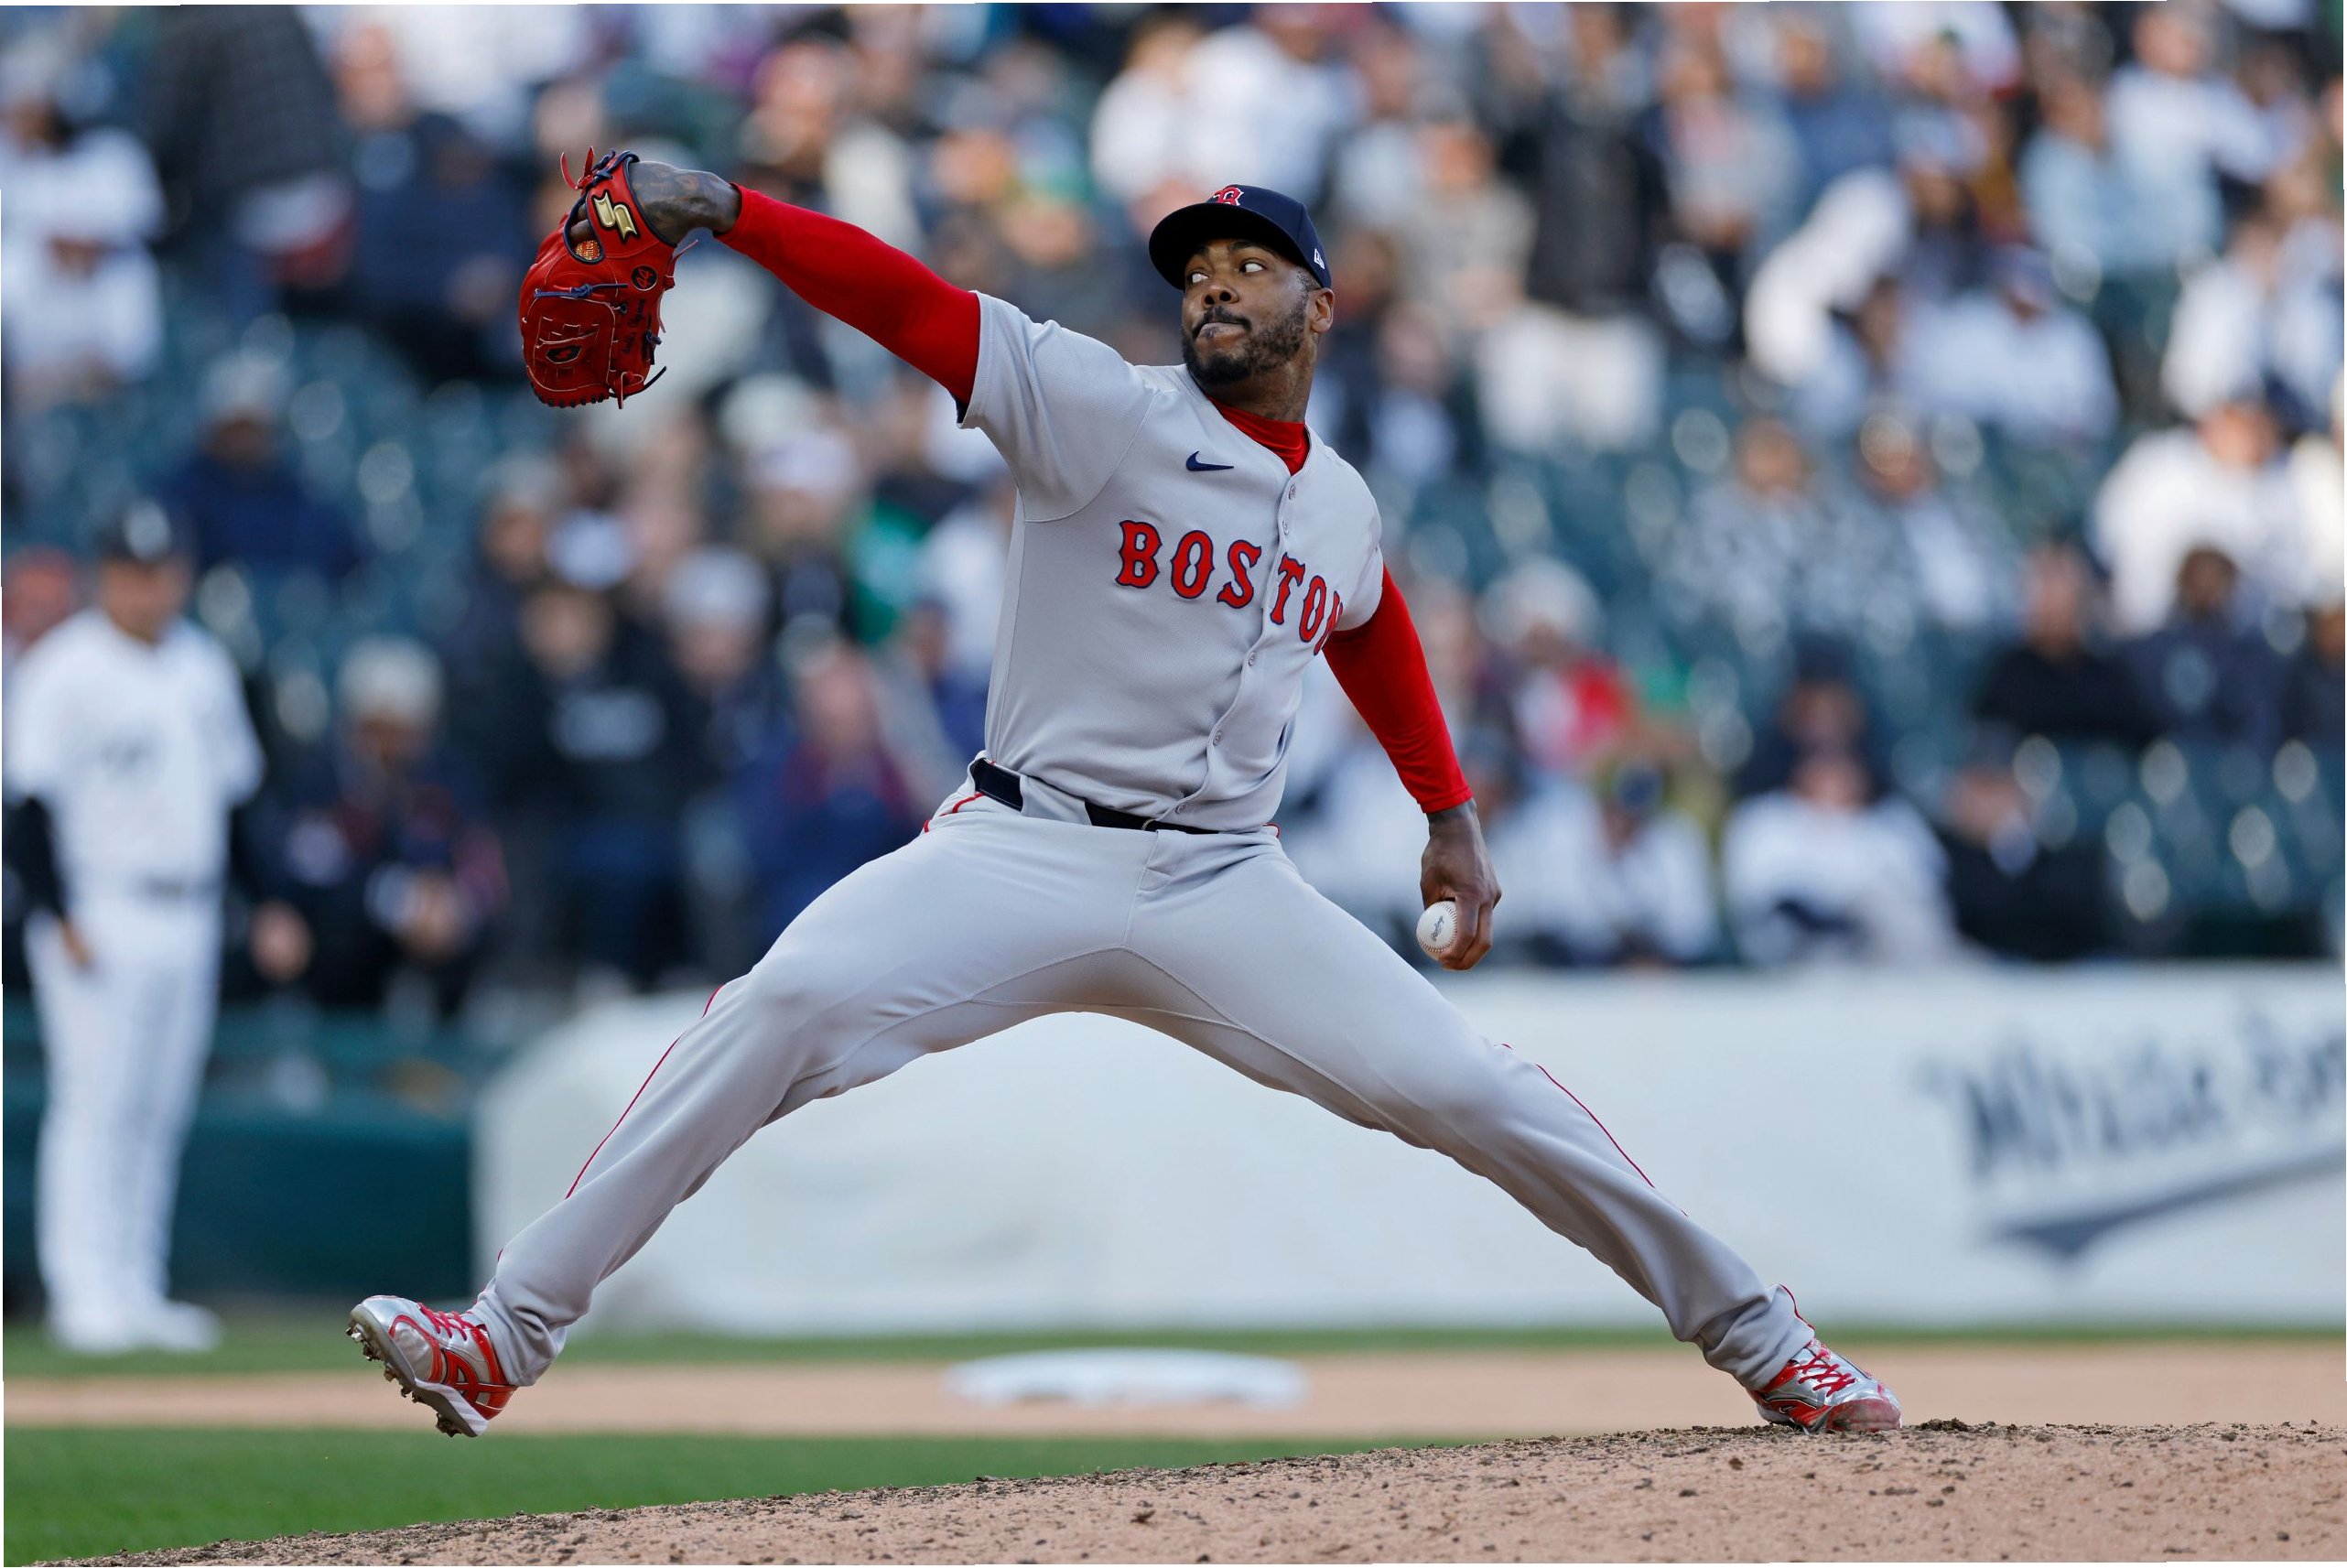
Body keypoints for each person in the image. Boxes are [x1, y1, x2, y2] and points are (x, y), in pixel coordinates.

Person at [351, 161, 1900, 1439]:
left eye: (1249, 265)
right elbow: (907, 301)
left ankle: (1768, 1342)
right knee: (777, 1006)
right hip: (1019, 846)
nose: (1214, 286)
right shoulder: (1095, 404)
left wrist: (1448, 811)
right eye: (1196, 270)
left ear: (1320, 304)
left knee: (1481, 1090)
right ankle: (505, 1333)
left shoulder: (1340, 501)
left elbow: (1366, 621)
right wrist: (729, 210)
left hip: (1226, 884)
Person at [2, 503, 265, 1353]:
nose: (148, 587)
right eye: (132, 571)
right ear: (104, 575)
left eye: (161, 570)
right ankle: (83, 1289)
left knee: (159, 1106)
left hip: (190, 907)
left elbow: (238, 798)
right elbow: (27, 806)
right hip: (99, 907)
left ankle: (136, 1285)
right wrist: (59, 912)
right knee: (96, 1102)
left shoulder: (201, 663)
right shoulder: (64, 666)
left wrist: (265, 901)